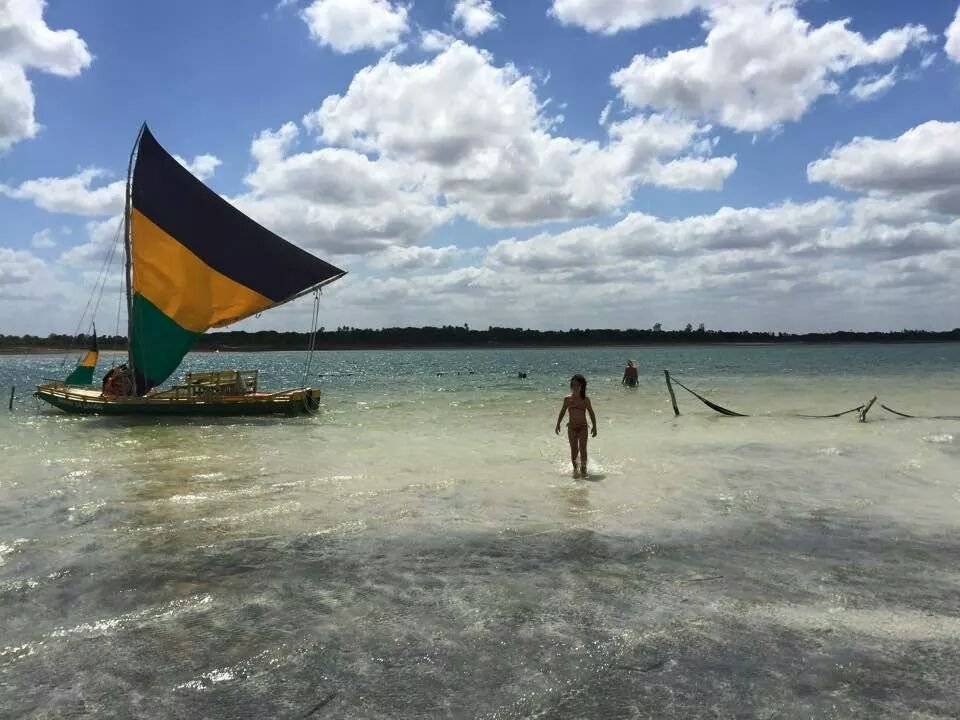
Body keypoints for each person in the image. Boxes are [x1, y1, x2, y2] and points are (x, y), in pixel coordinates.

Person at [555, 374, 597, 478]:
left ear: (582, 386)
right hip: (572, 428)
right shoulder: (567, 399)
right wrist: (558, 424)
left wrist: (594, 426)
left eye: (578, 385)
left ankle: (583, 469)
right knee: (574, 450)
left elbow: (591, 413)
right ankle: (575, 469)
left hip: (583, 427)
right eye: (573, 385)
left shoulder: (585, 400)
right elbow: (562, 412)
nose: (575, 388)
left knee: (583, 449)